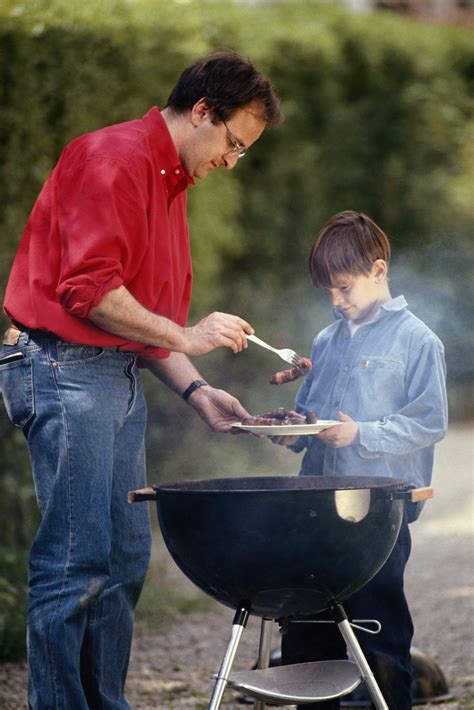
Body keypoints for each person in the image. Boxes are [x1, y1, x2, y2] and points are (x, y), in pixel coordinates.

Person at [0, 50, 282, 709]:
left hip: (108, 377)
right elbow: (89, 292)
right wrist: (188, 334)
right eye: (233, 143)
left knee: (123, 563)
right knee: (77, 566)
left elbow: (142, 323)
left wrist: (196, 390)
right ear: (203, 112)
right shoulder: (115, 159)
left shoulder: (170, 181)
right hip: (66, 373)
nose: (232, 161)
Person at [273, 211, 448, 709]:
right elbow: (314, 417)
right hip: (316, 506)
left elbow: (429, 422)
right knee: (308, 628)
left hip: (378, 510)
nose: (336, 301)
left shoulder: (418, 341)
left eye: (344, 288)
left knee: (378, 626)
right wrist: (293, 430)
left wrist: (362, 433)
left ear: (378, 269)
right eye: (327, 290)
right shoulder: (326, 342)